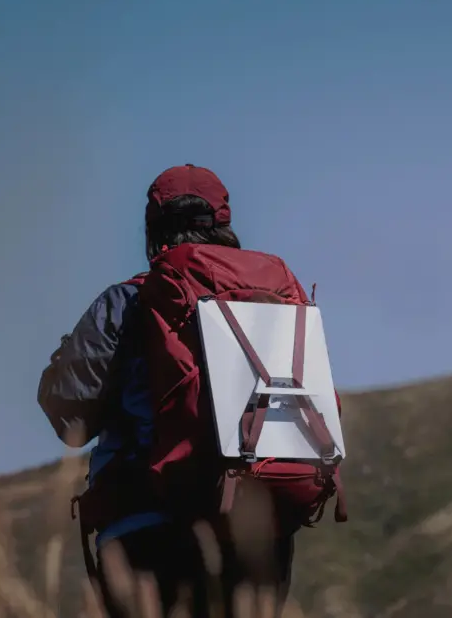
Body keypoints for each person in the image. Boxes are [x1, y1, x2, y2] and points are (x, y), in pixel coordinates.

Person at [38, 164, 342, 618]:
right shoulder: (274, 300)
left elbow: (70, 418)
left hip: (147, 536)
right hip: (260, 537)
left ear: (152, 229)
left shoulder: (127, 302)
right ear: (224, 224)